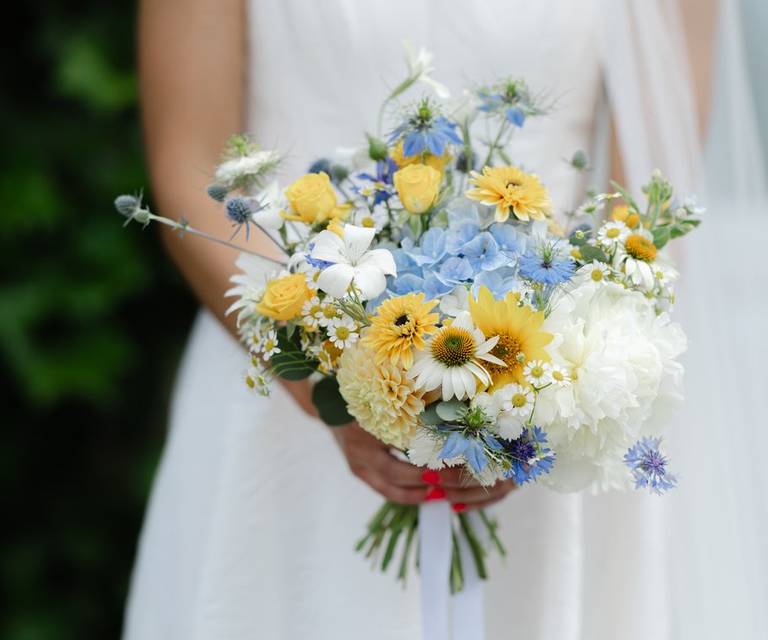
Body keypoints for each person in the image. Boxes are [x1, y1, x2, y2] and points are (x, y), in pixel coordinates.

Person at [125, 1, 719, 638]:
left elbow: (654, 196)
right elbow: (191, 168)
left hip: (542, 402)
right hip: (279, 380)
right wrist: (327, 378)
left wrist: (524, 403)